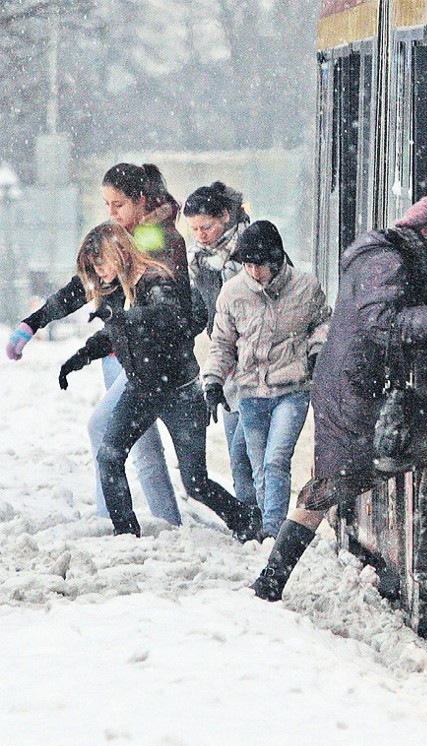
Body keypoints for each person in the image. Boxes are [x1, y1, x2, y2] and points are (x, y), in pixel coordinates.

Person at [249, 196, 427, 601]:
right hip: (353, 389)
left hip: (351, 384)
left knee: (336, 482)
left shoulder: (382, 255)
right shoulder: (386, 260)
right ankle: (270, 582)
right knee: (332, 484)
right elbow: (379, 321)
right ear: (424, 233)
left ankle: (272, 579)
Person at [5, 163, 204, 527]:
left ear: (140, 202)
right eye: (107, 205)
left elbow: (170, 311)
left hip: (153, 363)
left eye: (118, 205)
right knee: (139, 444)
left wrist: (132, 324)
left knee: (107, 433)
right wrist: (32, 323)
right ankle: (160, 521)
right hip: (120, 353)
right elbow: (84, 284)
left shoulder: (154, 241)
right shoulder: (124, 235)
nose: (110, 214)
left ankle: (121, 519)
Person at [58, 222, 261, 541]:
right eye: (93, 268)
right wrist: (80, 357)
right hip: (141, 390)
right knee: (110, 456)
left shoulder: (158, 279)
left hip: (180, 391)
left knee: (196, 484)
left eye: (101, 263)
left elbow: (166, 316)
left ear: (117, 254)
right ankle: (125, 532)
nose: (98, 272)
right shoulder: (113, 290)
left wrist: (126, 320)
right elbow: (114, 334)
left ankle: (248, 520)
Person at [203, 220, 331, 540]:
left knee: (276, 460)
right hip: (250, 391)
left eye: (258, 264)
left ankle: (274, 531)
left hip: (293, 388)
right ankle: (264, 521)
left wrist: (316, 353)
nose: (253, 271)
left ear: (276, 260)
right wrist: (214, 381)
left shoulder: (306, 287)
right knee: (259, 465)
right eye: (246, 264)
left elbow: (323, 324)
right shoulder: (232, 293)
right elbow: (222, 343)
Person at [182, 182, 256, 507]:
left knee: (250, 451)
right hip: (226, 366)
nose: (201, 235)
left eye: (207, 226)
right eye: (195, 228)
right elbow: (200, 311)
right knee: (237, 455)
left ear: (225, 216)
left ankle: (265, 520)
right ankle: (251, 521)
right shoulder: (200, 262)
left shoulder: (255, 248)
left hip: (259, 362)